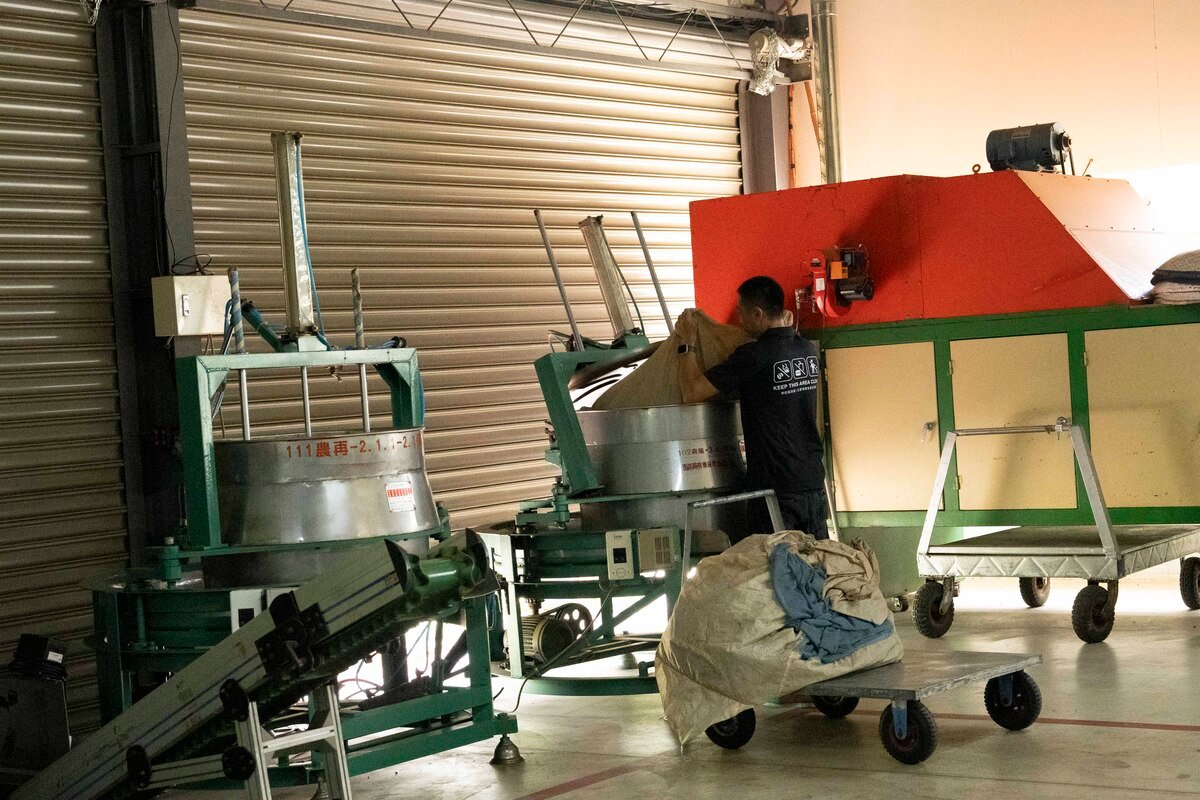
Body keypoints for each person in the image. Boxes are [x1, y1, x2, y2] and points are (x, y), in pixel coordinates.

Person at [675, 276, 829, 540]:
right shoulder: (807, 350)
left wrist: (686, 343)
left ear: (758, 313)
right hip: (812, 483)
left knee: (774, 563)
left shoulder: (753, 356)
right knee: (817, 560)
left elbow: (691, 392)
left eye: (741, 312)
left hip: (775, 492)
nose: (739, 320)